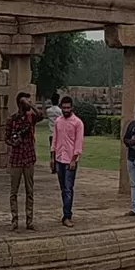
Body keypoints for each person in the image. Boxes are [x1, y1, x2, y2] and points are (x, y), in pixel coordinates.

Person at [4, 91, 44, 231]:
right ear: (20, 103)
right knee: (13, 191)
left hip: (28, 158)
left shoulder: (31, 118)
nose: (28, 102)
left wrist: (31, 105)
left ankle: (29, 220)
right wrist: (14, 142)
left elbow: (41, 116)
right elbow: (6, 138)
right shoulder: (12, 119)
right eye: (26, 100)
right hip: (16, 158)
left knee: (30, 191)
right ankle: (14, 220)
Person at [51, 95, 84, 227]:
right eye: (64, 107)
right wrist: (52, 157)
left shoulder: (77, 123)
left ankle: (67, 215)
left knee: (68, 188)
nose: (66, 110)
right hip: (59, 158)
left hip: (70, 159)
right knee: (63, 188)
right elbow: (55, 139)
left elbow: (78, 143)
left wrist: (74, 159)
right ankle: (65, 212)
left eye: (68, 107)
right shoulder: (58, 121)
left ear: (72, 108)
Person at [45, 91, 63, 174]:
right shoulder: (60, 111)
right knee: (59, 150)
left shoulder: (48, 111)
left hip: (51, 132)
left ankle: (53, 167)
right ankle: (59, 166)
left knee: (52, 151)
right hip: (59, 133)